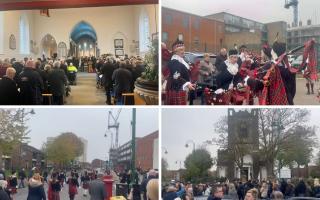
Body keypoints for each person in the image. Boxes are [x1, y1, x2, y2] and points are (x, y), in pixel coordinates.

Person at [165, 39, 195, 105]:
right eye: (181, 50)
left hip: (181, 89)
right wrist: (187, 84)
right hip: (177, 89)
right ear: (175, 51)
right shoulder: (175, 61)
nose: (183, 52)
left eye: (184, 50)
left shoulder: (181, 61)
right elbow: (176, 76)